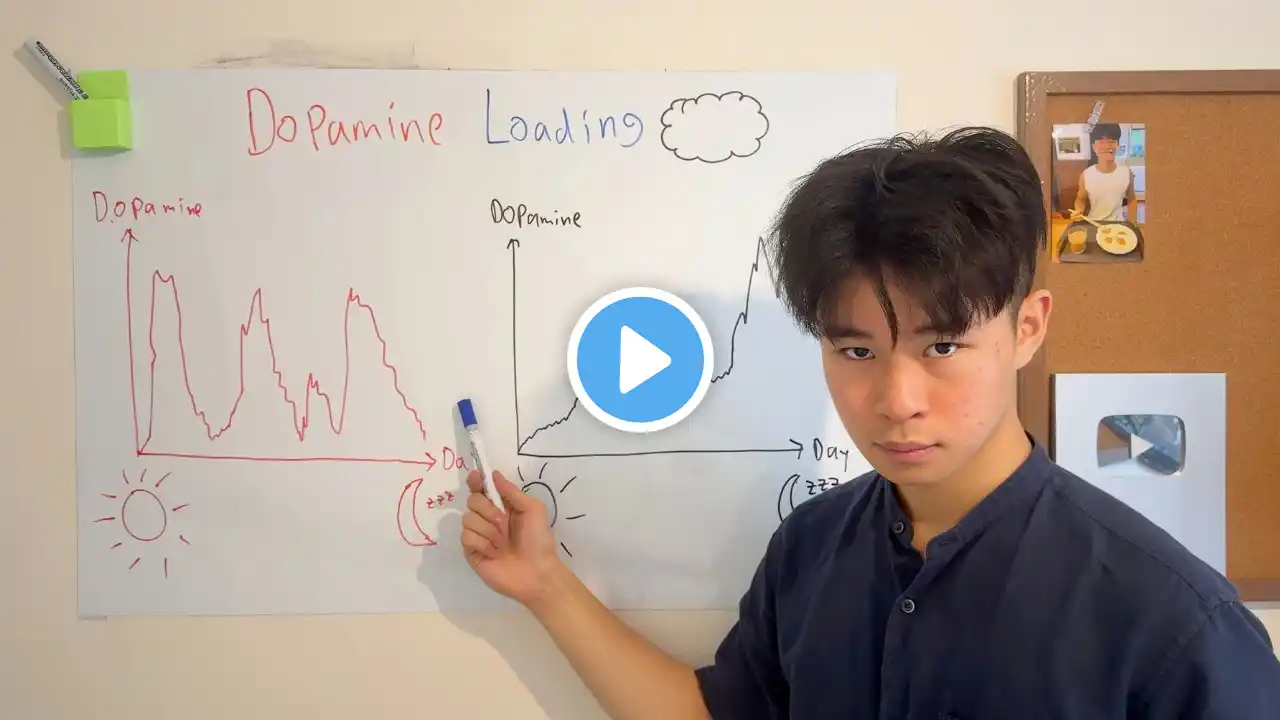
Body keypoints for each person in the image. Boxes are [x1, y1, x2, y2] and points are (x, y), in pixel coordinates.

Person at [459, 126, 1280, 719]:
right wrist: (546, 586)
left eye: (942, 345)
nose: (896, 399)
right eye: (856, 351)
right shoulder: (812, 549)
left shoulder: (1172, 619)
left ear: (1027, 328)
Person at [1072, 122, 1139, 223]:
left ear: (1118, 144)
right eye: (1101, 142)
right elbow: (1080, 199)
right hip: (1094, 224)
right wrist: (1078, 210)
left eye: (1112, 141)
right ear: (1093, 146)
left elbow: (1132, 199)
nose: (1107, 146)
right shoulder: (1086, 175)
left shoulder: (1126, 173)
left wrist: (1133, 223)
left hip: (1118, 225)